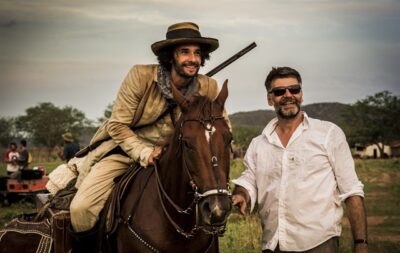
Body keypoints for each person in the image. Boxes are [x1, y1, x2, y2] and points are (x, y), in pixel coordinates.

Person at [68, 22, 228, 252]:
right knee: (81, 209)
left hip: (179, 158)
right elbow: (117, 125)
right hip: (127, 152)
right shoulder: (140, 76)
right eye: (184, 52)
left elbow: (220, 128)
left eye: (197, 53)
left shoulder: (209, 86)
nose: (192, 59)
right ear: (170, 56)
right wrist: (144, 152)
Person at [232, 67, 368, 253]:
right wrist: (242, 193)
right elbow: (250, 178)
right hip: (274, 244)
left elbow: (352, 191)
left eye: (294, 89)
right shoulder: (259, 144)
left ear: (301, 94)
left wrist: (360, 244)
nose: (288, 95)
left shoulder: (328, 134)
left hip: (319, 243)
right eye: (280, 92)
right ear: (270, 99)